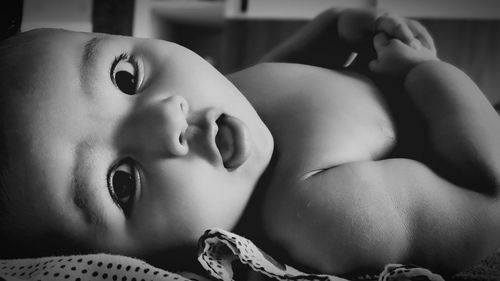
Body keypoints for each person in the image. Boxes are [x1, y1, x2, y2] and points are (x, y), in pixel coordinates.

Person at [0, 7, 499, 278]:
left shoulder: (229, 93)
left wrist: (340, 29)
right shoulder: (317, 211)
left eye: (125, 76)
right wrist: (426, 74)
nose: (165, 118)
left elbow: (283, 69)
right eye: (122, 183)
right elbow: (485, 195)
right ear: (151, 258)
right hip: (452, 123)